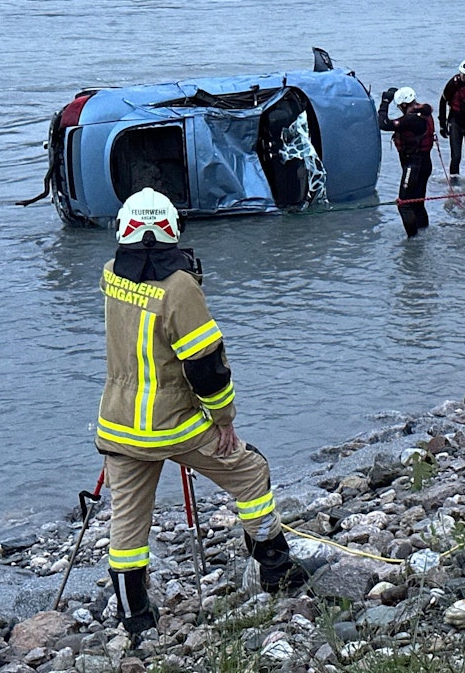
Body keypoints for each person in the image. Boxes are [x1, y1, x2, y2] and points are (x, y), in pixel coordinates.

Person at [95, 188, 317, 645]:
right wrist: (224, 419)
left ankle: (135, 616)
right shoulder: (180, 288)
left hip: (117, 423)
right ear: (173, 229)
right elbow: (205, 365)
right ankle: (276, 568)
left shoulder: (111, 275)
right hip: (173, 424)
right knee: (251, 473)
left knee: (129, 522)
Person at [378, 86, 435, 237]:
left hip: (414, 166)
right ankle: (424, 234)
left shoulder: (411, 119)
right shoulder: (424, 114)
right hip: (425, 163)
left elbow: (383, 123)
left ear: (404, 105)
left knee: (404, 204)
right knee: (417, 204)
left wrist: (385, 102)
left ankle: (413, 241)